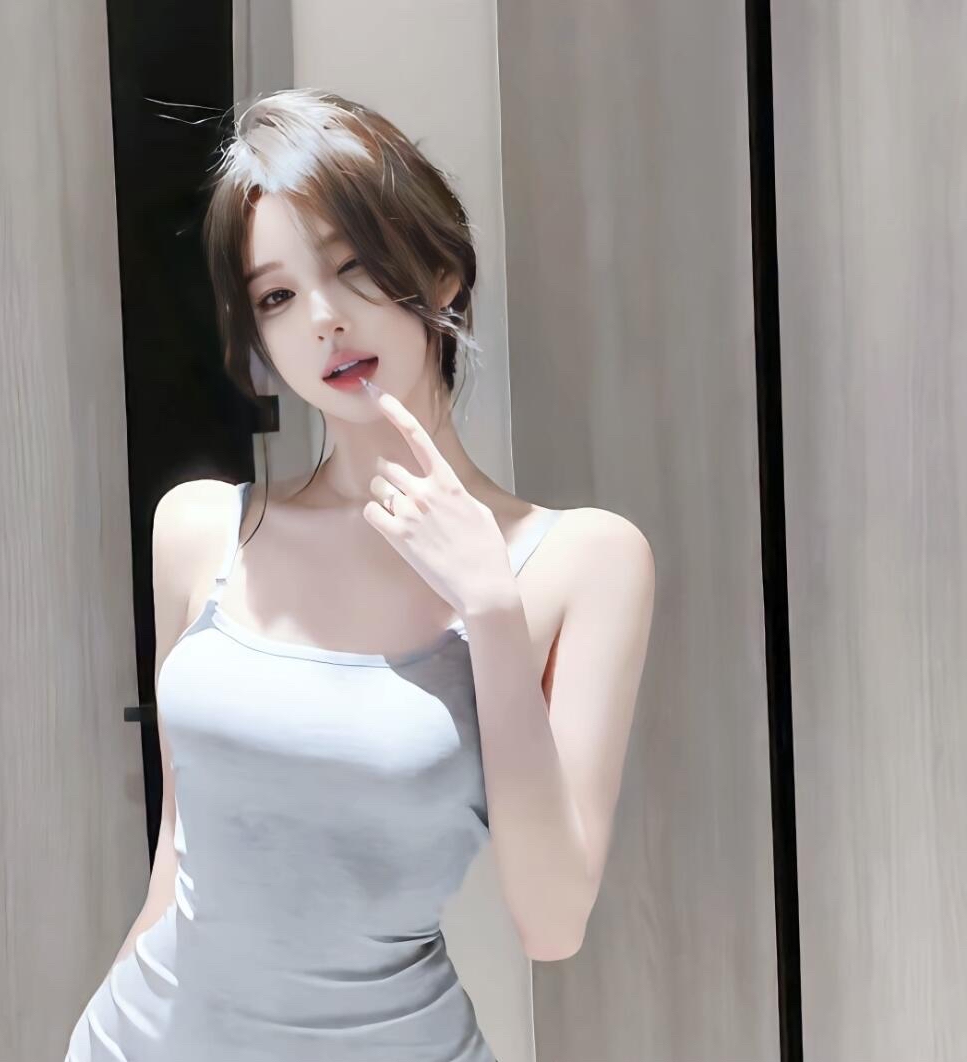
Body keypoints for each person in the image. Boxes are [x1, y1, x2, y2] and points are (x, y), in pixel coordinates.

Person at [64, 86, 655, 1062]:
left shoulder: (583, 562)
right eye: (277, 297)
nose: (324, 320)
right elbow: (179, 861)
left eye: (352, 268)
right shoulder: (202, 531)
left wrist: (490, 608)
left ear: (441, 271)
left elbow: (552, 925)